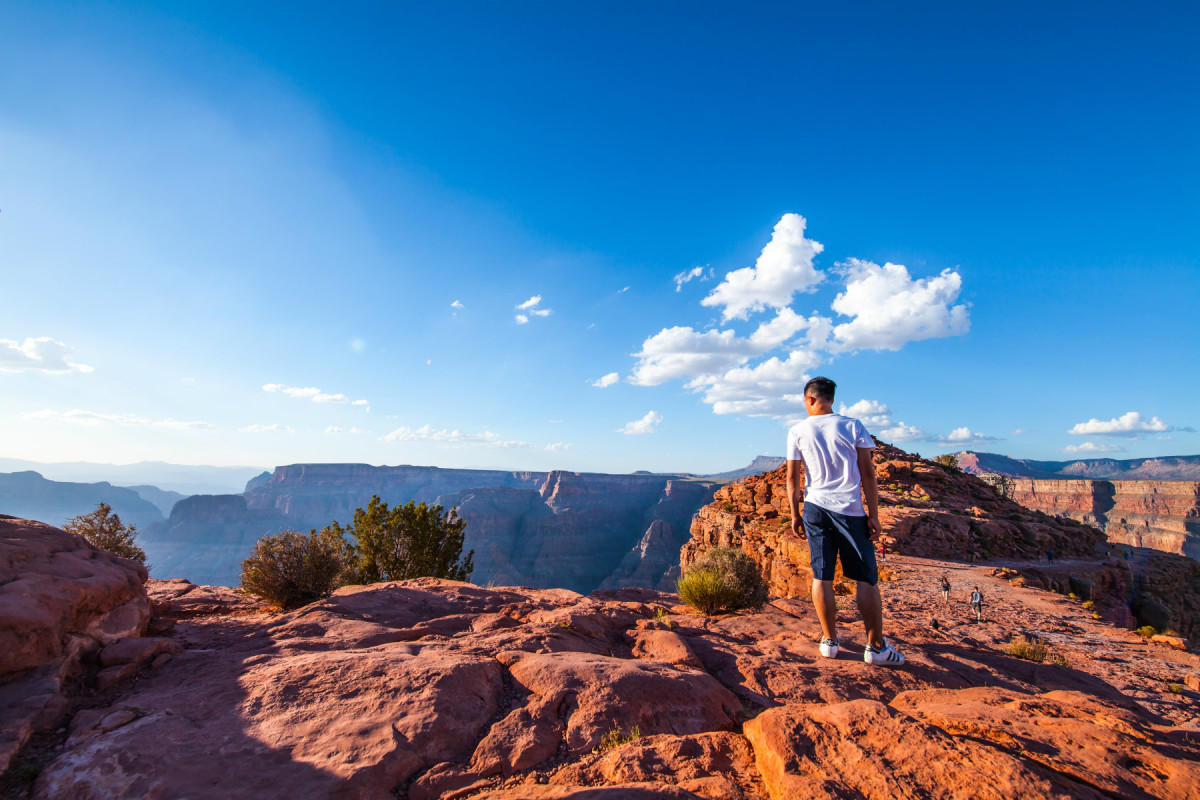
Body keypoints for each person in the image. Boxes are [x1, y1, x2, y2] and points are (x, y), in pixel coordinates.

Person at [786, 376, 904, 666]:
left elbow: (792, 480)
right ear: (831, 398)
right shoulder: (853, 426)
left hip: (814, 508)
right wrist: (873, 515)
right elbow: (868, 474)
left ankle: (829, 641)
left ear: (810, 399)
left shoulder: (797, 430)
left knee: (821, 575)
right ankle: (876, 648)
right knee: (866, 578)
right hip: (850, 511)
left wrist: (794, 514)